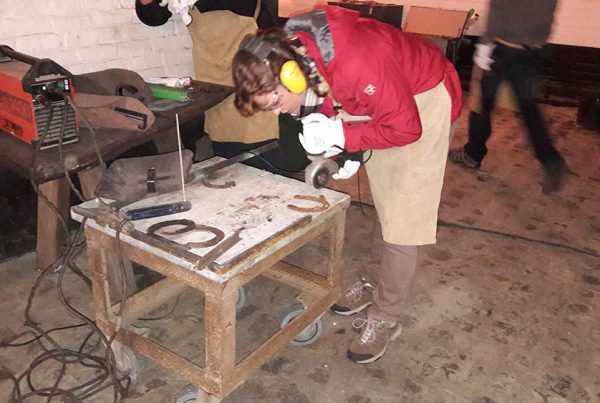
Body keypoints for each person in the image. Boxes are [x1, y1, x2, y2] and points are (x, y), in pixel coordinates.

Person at [231, 5, 463, 363]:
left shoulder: (358, 60)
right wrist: (343, 151)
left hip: (425, 100)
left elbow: (406, 128)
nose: (278, 112)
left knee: (404, 219)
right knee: (386, 199)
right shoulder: (302, 54)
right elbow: (330, 94)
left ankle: (385, 316)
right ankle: (372, 279)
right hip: (386, 96)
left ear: (292, 76)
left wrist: (344, 134)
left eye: (275, 102)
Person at [135, 0, 309, 173]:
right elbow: (153, 17)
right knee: (228, 152)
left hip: (254, 56)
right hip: (212, 66)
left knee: (268, 145)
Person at [448, 0, 567, 193]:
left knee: (482, 101)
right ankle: (551, 160)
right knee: (528, 108)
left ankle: (473, 154)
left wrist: (484, 45)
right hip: (534, 48)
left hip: (504, 48)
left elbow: (498, 7)